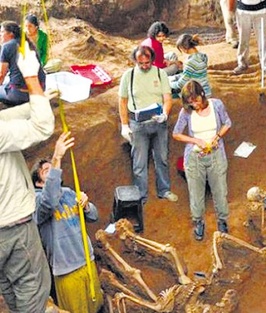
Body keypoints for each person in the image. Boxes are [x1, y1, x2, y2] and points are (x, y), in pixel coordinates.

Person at [0, 41, 53, 313]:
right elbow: (43, 127)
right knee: (32, 290)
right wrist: (31, 77)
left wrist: (40, 99)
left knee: (8, 286)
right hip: (13, 228)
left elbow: (6, 122)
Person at [31, 132, 104, 313]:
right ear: (39, 183)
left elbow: (94, 216)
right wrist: (56, 158)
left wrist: (86, 205)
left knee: (96, 307)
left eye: (53, 168)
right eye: (47, 171)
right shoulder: (37, 201)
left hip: (87, 261)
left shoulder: (70, 193)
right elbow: (49, 201)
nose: (54, 171)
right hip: (66, 270)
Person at [172, 80, 232, 241]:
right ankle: (198, 222)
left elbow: (227, 123)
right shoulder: (186, 113)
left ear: (202, 94)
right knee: (196, 193)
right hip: (195, 158)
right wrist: (194, 141)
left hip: (216, 154)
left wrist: (217, 137)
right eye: (191, 103)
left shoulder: (216, 105)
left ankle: (222, 221)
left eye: (196, 101)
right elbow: (176, 133)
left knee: (220, 190)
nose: (195, 105)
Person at [118, 45, 178, 203]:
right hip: (138, 125)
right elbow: (122, 102)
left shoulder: (160, 74)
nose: (144, 66)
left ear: (152, 60)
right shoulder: (128, 76)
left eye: (147, 63)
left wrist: (165, 113)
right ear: (135, 61)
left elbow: (167, 98)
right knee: (139, 163)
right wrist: (124, 125)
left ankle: (164, 190)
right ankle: (141, 196)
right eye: (141, 63)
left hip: (158, 123)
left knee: (162, 158)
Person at [0, 21, 46, 107]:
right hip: (39, 91)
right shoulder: (29, 44)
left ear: (11, 34)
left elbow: (1, 75)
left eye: (2, 32)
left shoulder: (7, 47)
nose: (0, 34)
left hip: (19, 95)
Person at [228, 0, 266, 75]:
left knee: (263, 40)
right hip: (243, 12)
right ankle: (242, 64)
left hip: (261, 11)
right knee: (243, 39)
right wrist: (230, 11)